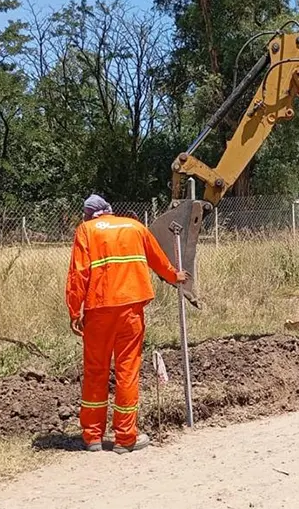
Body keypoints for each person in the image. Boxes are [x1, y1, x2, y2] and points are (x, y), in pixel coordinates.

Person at [65, 194, 189, 454]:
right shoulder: (134, 227)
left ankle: (93, 437)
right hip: (131, 309)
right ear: (109, 210)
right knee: (127, 371)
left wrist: (75, 310)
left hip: (98, 310)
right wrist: (174, 275)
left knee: (96, 371)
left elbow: (79, 273)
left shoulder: (86, 231)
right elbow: (157, 259)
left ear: (89, 215)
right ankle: (125, 438)